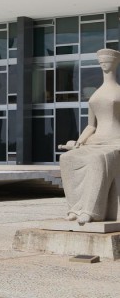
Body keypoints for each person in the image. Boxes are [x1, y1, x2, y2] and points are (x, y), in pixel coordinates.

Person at [60, 48, 120, 225]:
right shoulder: (96, 94)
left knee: (97, 160)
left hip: (115, 142)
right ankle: (75, 209)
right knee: (67, 159)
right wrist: (79, 142)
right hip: (95, 141)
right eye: (101, 62)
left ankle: (91, 211)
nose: (104, 65)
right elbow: (91, 125)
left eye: (107, 61)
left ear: (115, 63)